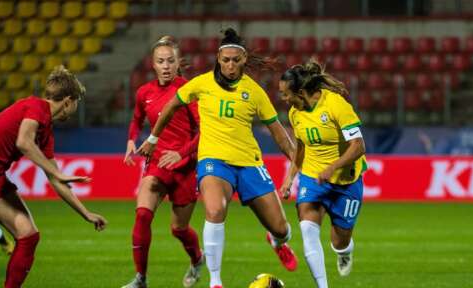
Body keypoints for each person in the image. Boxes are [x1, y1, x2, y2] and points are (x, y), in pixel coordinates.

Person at [138, 28, 299, 288]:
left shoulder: (255, 92)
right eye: (226, 60)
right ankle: (215, 281)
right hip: (214, 161)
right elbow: (170, 107)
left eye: (236, 60)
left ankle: (277, 241)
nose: (231, 65)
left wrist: (297, 161)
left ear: (244, 60)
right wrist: (153, 138)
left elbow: (279, 133)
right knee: (214, 209)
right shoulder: (201, 83)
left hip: (249, 163)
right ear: (218, 58)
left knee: (281, 228)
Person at [0, 65, 107, 288]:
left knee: (28, 236)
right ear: (68, 101)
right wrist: (57, 172)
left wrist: (85, 213)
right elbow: (23, 142)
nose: (76, 108)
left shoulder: (45, 131)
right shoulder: (36, 107)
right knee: (27, 236)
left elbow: (56, 180)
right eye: (77, 103)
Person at [121, 36, 203, 288]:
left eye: (170, 61)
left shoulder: (188, 92)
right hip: (156, 164)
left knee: (178, 229)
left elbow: (205, 131)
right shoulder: (144, 92)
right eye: (160, 61)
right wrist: (131, 140)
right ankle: (141, 279)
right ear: (152, 65)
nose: (165, 66)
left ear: (178, 63)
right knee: (142, 216)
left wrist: (182, 154)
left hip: (185, 167)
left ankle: (197, 259)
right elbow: (136, 120)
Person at [278, 61, 367, 288]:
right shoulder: (295, 114)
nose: (283, 99)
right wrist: (289, 179)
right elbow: (300, 148)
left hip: (346, 180)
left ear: (300, 92)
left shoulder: (336, 105)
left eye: (285, 94)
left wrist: (332, 167)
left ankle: (344, 251)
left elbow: (358, 146)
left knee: (340, 241)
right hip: (312, 177)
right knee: (308, 230)